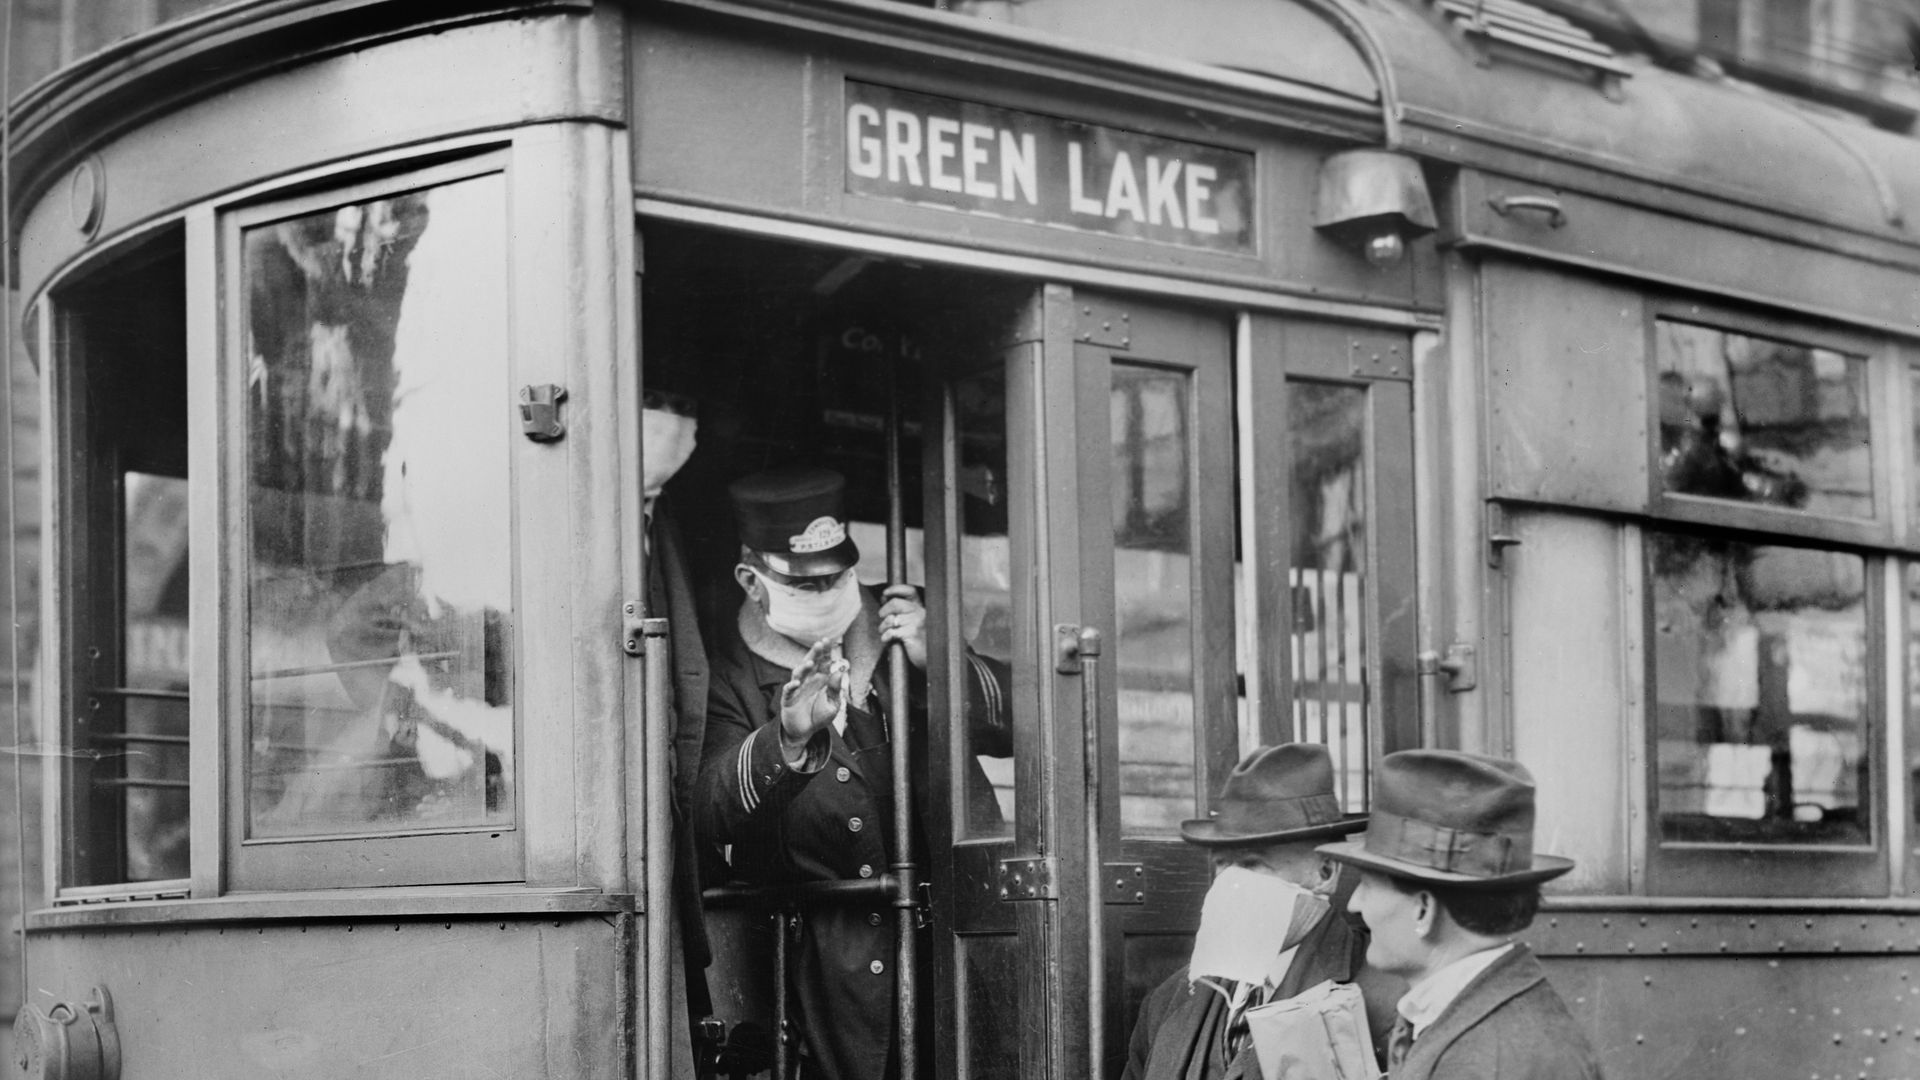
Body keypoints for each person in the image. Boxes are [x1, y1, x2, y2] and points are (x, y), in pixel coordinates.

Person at [695, 465, 1011, 1080]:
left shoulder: (911, 623)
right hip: (830, 975)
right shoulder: (729, 673)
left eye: (838, 576)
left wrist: (939, 660)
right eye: (804, 584)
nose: (828, 594)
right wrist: (785, 735)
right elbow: (710, 807)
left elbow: (1029, 726)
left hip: (957, 951)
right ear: (751, 581)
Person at [1319, 750, 1604, 1080]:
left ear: (1423, 910)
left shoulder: (1493, 1056)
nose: (1355, 903)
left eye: (1367, 886)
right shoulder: (1469, 1018)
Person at [1123, 743, 1397, 1080]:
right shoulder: (1169, 1000)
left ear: (1326, 873)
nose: (1230, 885)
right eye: (1222, 867)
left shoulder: (1386, 998)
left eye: (1252, 866)